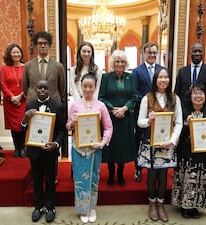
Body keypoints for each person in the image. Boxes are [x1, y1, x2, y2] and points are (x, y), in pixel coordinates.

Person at [171, 83, 206, 219]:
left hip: (203, 156)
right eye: (195, 93)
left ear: (205, 97)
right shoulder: (184, 113)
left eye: (201, 93)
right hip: (186, 154)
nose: (198, 96)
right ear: (190, 96)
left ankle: (195, 206)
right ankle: (185, 206)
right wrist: (185, 123)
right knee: (187, 180)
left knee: (199, 181)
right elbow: (176, 133)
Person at [137, 68, 183, 222]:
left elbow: (179, 122)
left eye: (166, 77)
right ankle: (152, 204)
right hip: (150, 143)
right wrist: (149, 120)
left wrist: (173, 139)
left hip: (167, 142)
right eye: (160, 77)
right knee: (151, 174)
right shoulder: (147, 98)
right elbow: (140, 122)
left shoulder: (175, 99)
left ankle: (161, 204)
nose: (163, 80)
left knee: (163, 174)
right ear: (155, 80)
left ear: (169, 80)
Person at [67, 73, 113, 223]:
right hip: (78, 148)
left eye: (90, 86)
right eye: (85, 86)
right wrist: (72, 123)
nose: (87, 89)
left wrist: (103, 142)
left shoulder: (101, 106)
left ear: (95, 87)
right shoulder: (75, 105)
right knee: (80, 178)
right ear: (81, 87)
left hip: (94, 149)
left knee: (93, 178)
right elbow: (68, 127)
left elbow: (108, 127)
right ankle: (82, 208)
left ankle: (92, 207)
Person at [21, 80, 66, 223]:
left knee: (50, 179)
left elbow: (62, 130)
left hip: (49, 150)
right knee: (37, 179)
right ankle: (38, 207)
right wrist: (26, 117)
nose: (42, 90)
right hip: (34, 150)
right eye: (39, 87)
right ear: (35, 89)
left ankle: (50, 207)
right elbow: (23, 128)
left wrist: (56, 144)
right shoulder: (30, 105)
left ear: (49, 90)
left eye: (45, 88)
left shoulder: (58, 106)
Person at [99, 50, 138, 187]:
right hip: (110, 118)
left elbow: (134, 97)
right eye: (117, 61)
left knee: (122, 146)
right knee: (111, 146)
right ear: (113, 63)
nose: (120, 64)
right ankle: (110, 174)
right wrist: (113, 109)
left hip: (126, 117)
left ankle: (120, 174)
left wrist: (124, 108)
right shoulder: (106, 77)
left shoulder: (130, 77)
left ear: (125, 63)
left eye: (122, 61)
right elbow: (101, 98)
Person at [132, 42, 164, 182]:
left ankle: (157, 166)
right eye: (149, 52)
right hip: (142, 112)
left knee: (158, 140)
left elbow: (165, 88)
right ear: (144, 54)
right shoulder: (137, 71)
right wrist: (148, 102)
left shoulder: (162, 70)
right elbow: (135, 91)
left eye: (154, 53)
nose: (152, 55)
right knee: (140, 141)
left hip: (160, 113)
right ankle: (138, 168)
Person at [22, 31, 66, 106]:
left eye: (45, 43)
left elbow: (62, 88)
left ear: (49, 45)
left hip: (53, 103)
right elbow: (25, 87)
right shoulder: (28, 66)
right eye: (40, 43)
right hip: (33, 103)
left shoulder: (58, 66)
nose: (42, 46)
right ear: (35, 46)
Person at [0, 43, 26, 158]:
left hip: (23, 100)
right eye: (13, 52)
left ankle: (23, 148)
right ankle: (17, 148)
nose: (16, 54)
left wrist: (20, 96)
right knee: (13, 127)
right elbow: (3, 84)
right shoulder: (4, 68)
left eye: (18, 52)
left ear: (21, 53)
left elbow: (28, 84)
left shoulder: (26, 67)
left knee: (23, 125)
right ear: (9, 54)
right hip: (10, 102)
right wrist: (12, 97)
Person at [174, 42, 206, 110]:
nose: (197, 53)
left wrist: (205, 109)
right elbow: (177, 92)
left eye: (199, 51)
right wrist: (181, 109)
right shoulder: (182, 71)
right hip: (184, 110)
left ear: (203, 53)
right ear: (190, 53)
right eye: (194, 51)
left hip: (203, 110)